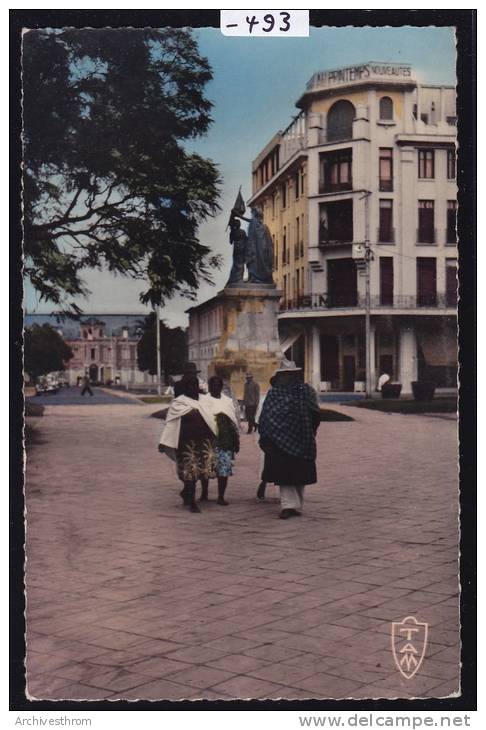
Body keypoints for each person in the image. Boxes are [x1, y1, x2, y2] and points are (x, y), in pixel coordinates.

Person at [258, 359, 321, 519]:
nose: (288, 377)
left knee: (300, 473)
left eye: (290, 374)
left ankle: (296, 505)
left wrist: (309, 430)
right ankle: (287, 506)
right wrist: (268, 435)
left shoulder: (306, 391)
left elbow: (315, 413)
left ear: (294, 374)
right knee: (284, 474)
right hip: (279, 440)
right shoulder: (274, 393)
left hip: (302, 436)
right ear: (280, 376)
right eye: (285, 374)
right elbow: (266, 416)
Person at [158, 375, 217, 513]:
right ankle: (192, 503)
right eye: (190, 385)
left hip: (204, 441)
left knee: (203, 472)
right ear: (186, 388)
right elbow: (171, 423)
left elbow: (212, 419)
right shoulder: (179, 403)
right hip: (186, 443)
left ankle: (187, 493)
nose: (194, 388)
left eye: (196, 385)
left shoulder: (205, 401)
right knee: (190, 472)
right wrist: (165, 441)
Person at [201, 376, 240, 505]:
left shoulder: (227, 401)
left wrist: (235, 441)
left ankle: (221, 497)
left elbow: (233, 421)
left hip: (225, 440)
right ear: (209, 386)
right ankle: (204, 493)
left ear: (221, 387)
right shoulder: (203, 400)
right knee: (206, 469)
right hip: (208, 439)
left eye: (218, 385)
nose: (215, 388)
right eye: (213, 385)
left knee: (223, 470)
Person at [227, 217, 248, 285]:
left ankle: (236, 279)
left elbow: (230, 242)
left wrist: (232, 231)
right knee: (240, 264)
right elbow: (246, 240)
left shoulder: (233, 232)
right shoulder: (242, 232)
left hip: (237, 248)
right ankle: (238, 279)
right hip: (242, 248)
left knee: (236, 264)